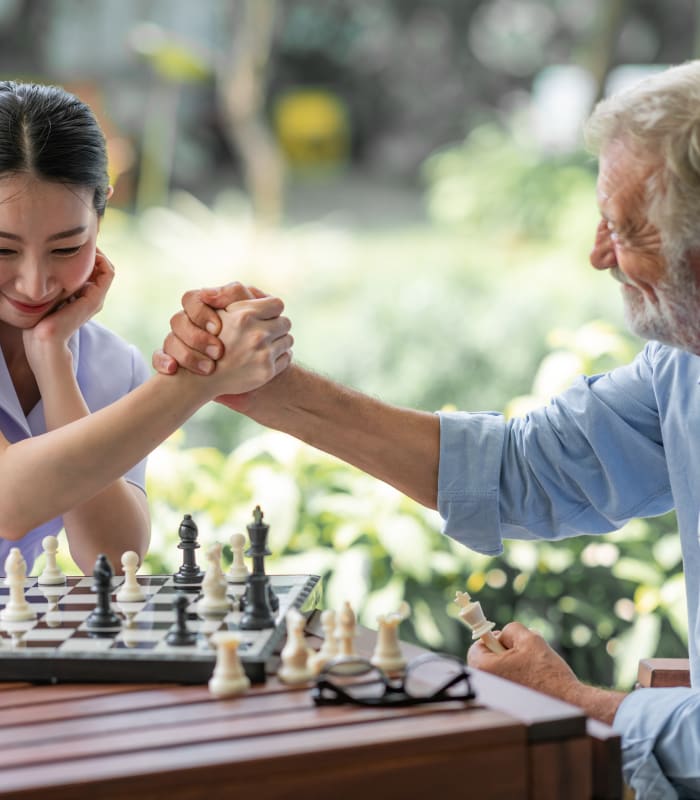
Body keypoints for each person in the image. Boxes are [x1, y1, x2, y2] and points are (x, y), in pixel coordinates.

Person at [155, 60, 700, 797]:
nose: (598, 255)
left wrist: (582, 705)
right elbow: (524, 472)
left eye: (625, 230)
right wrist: (273, 390)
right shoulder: (683, 366)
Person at [0, 81, 292, 576]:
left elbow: (111, 558)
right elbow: (10, 504)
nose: (34, 283)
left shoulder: (108, 362)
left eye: (67, 248)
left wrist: (53, 361)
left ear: (101, 214)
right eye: (3, 250)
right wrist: (197, 381)